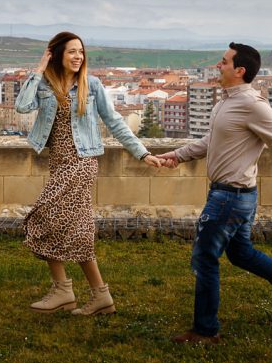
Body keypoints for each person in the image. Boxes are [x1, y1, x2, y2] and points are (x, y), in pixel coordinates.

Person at [155, 42, 272, 343]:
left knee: (205, 258)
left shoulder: (254, 105)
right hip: (234, 196)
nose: (218, 66)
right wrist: (178, 154)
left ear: (240, 70)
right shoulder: (224, 104)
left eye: (224, 62)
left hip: (230, 198)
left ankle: (205, 331)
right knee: (242, 254)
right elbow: (211, 142)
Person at [15, 31, 165, 316]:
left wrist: (142, 153)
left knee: (42, 219)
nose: (78, 57)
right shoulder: (46, 84)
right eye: (72, 51)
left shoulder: (91, 86)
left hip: (82, 162)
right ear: (57, 54)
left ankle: (62, 289)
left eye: (81, 52)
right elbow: (22, 106)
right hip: (59, 163)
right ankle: (100, 296)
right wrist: (38, 68)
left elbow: (116, 122)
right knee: (79, 230)